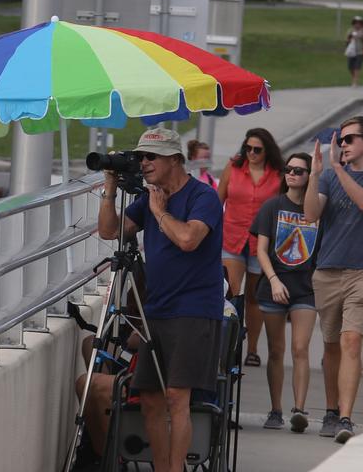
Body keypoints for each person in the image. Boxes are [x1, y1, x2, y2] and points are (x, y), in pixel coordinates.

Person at [98, 127, 223, 472]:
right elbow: (110, 231)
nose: (144, 163)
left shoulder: (203, 197)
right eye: (140, 157)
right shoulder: (151, 197)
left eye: (151, 157)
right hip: (157, 309)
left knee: (175, 397)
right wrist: (110, 188)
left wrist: (160, 213)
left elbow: (188, 240)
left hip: (194, 309)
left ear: (175, 159)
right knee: (151, 399)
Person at [304, 116, 363, 444]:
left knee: (351, 341)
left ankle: (346, 416)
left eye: (349, 139)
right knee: (331, 345)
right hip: (328, 269)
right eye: (340, 140)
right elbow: (311, 215)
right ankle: (330, 410)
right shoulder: (329, 176)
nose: (342, 145)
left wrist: (338, 169)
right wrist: (316, 176)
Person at [251, 152, 319, 433]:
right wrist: (274, 280)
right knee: (276, 351)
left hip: (306, 289)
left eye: (299, 171)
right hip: (273, 287)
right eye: (288, 169)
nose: (291, 174)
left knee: (300, 348)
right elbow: (261, 251)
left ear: (309, 177)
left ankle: (299, 410)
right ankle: (276, 409)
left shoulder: (317, 210)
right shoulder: (272, 207)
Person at [218, 128, 283, 367]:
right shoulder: (233, 168)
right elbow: (218, 200)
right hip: (232, 237)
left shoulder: (277, 175)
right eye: (248, 148)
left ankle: (252, 349)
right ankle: (230, 346)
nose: (252, 153)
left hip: (262, 243)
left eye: (257, 149)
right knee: (232, 292)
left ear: (267, 151)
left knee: (255, 298)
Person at [345, 16, 363, 87]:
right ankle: (354, 78)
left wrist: (362, 37)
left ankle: (355, 82)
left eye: (359, 23)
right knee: (350, 67)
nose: (357, 25)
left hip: (360, 52)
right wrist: (349, 39)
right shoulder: (350, 30)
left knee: (357, 67)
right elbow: (346, 40)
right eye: (356, 23)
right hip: (351, 51)